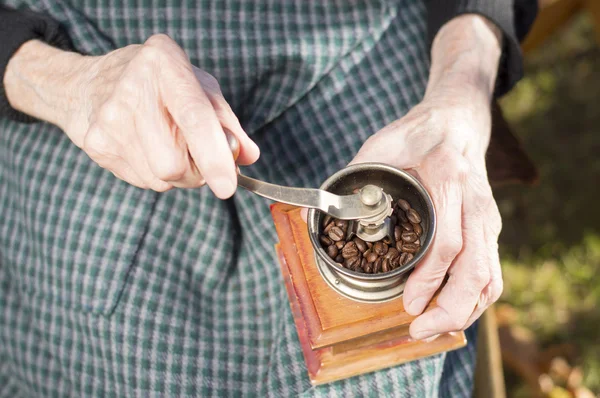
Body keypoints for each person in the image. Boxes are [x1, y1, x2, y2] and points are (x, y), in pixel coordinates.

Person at [0, 1, 537, 396]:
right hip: (85, 65)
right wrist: (67, 83)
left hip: (354, 56)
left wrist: (461, 94)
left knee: (382, 367)